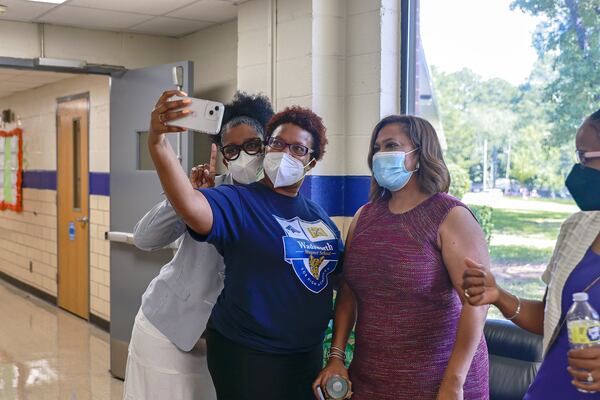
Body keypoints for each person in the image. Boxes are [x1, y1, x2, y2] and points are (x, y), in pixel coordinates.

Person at [148, 91, 343, 400]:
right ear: (267, 148)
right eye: (278, 144)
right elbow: (187, 204)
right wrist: (158, 143)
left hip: (305, 356)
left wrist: (336, 355)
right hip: (250, 356)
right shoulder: (237, 200)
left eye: (298, 149)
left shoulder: (317, 216)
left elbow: (343, 282)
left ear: (312, 161)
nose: (285, 154)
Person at [314, 115, 489, 400]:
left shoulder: (451, 216)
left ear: (420, 154)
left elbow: (477, 304)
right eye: (377, 148)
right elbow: (349, 290)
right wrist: (336, 357)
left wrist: (454, 382)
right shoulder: (364, 217)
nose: (381, 154)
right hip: (371, 380)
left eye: (391, 145)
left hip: (440, 382)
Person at [122, 92, 274, 400]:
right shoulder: (207, 195)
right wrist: (186, 198)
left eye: (252, 145)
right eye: (232, 149)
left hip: (228, 349)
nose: (243, 155)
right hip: (168, 332)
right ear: (221, 154)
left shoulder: (282, 206)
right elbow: (144, 238)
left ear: (267, 145)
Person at [462, 109, 600, 399]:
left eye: (584, 158)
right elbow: (548, 317)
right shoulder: (577, 228)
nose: (577, 170)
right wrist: (498, 295)